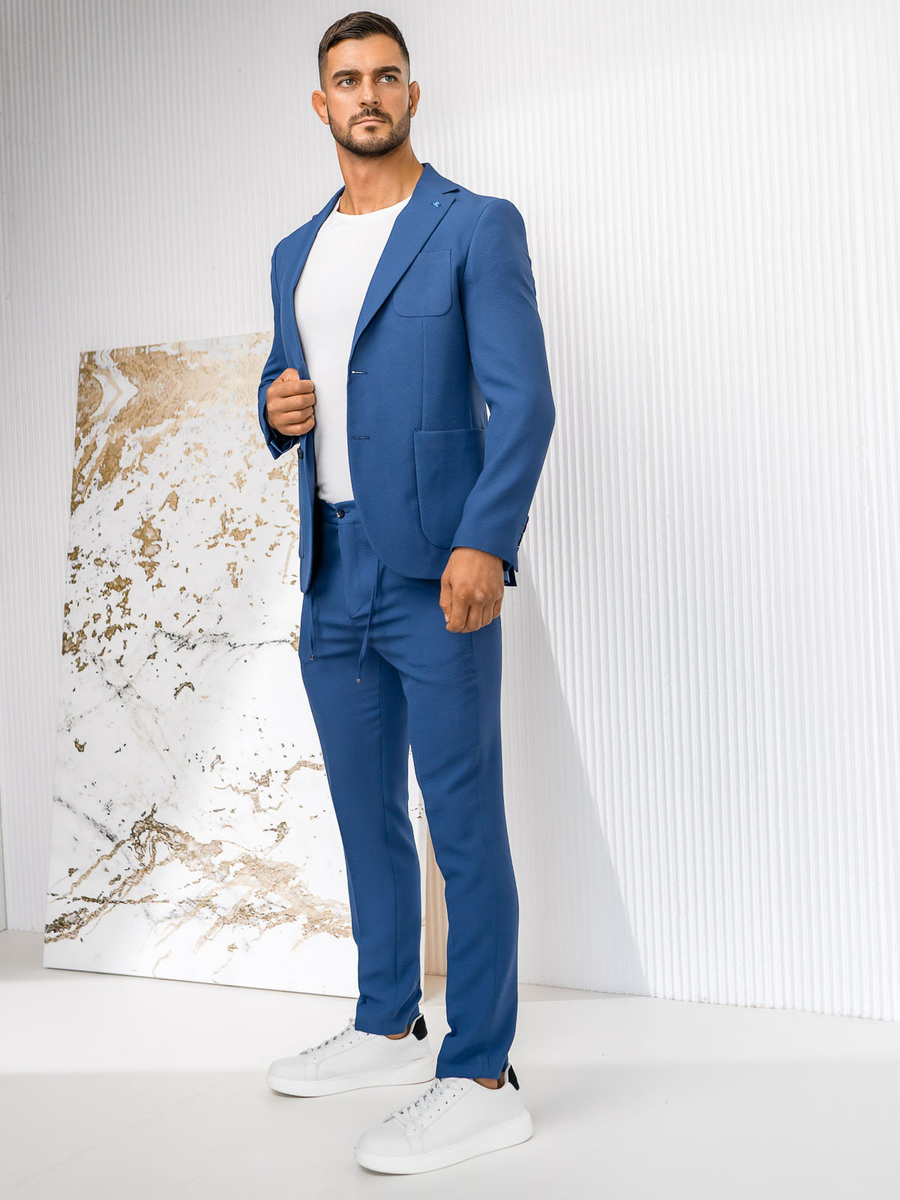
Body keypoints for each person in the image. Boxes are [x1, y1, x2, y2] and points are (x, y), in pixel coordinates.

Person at [257, 10, 555, 1175]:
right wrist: (275, 410)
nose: (367, 94)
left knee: (462, 822)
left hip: (436, 570)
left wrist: (487, 541)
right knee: (364, 812)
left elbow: (522, 400)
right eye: (347, 79)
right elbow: (293, 383)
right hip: (330, 566)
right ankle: (387, 1022)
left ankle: (482, 1074)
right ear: (320, 104)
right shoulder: (294, 251)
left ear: (412, 95)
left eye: (386, 76)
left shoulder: (475, 225)